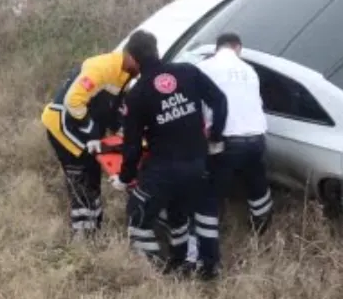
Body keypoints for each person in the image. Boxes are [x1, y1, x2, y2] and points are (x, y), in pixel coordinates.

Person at [109, 29, 228, 281]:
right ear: (157, 49)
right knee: (185, 213)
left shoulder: (138, 94)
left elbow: (131, 145)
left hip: (164, 170)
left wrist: (124, 178)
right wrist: (216, 138)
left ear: (133, 58)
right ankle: (203, 267)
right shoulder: (187, 71)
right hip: (198, 161)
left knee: (137, 217)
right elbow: (219, 100)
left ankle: (162, 273)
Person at [40, 47, 138, 238]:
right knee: (80, 178)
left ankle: (94, 230)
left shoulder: (124, 74)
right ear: (130, 57)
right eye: (140, 63)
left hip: (84, 129)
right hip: (64, 127)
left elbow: (113, 108)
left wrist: (123, 131)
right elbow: (74, 100)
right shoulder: (102, 68)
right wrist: (92, 132)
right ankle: (82, 236)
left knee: (93, 176)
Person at [195, 32, 273, 235]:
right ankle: (261, 228)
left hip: (226, 140)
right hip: (257, 137)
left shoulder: (205, 68)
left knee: (213, 189)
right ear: (237, 47)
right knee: (257, 183)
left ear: (217, 48)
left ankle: (208, 235)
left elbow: (199, 106)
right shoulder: (250, 70)